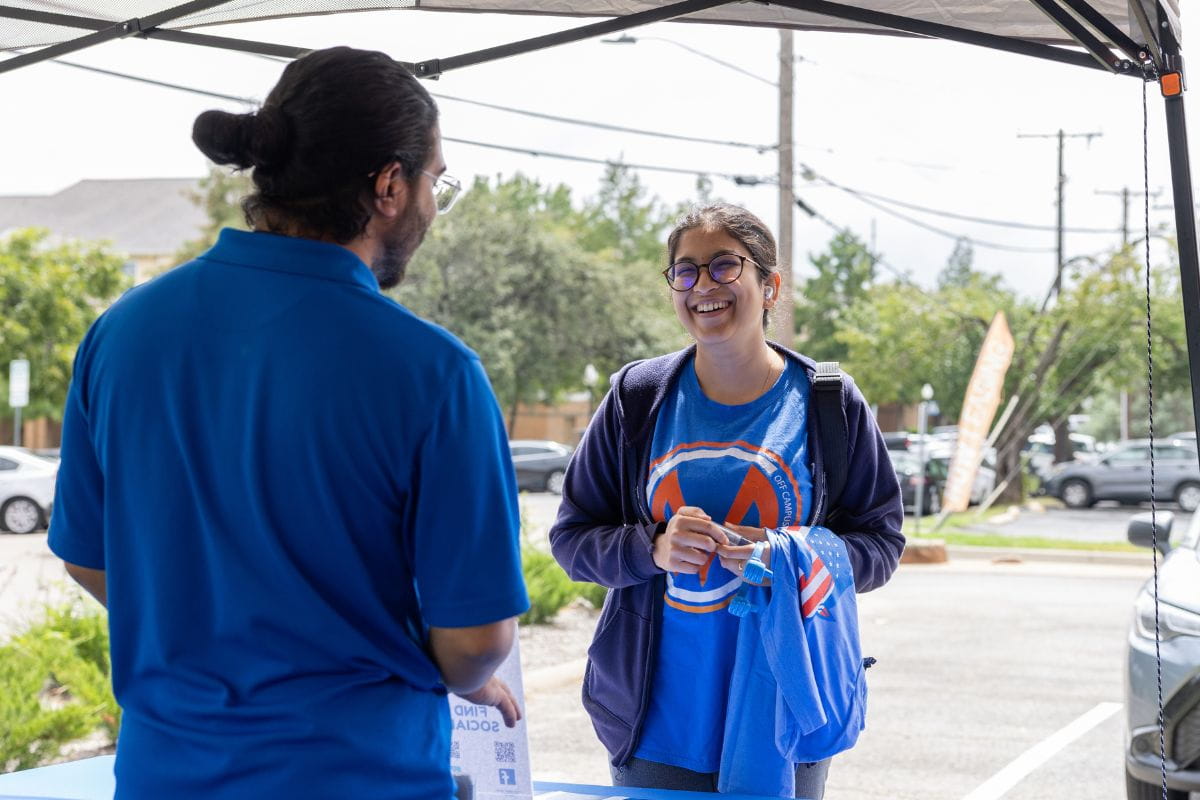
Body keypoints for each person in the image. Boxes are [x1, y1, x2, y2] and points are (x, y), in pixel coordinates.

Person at [48, 47, 528, 799]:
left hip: (161, 777)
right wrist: (455, 673)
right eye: (437, 179)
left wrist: (211, 629)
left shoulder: (120, 334)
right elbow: (476, 640)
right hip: (358, 777)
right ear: (390, 185)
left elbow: (88, 558)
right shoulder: (434, 374)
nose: (435, 203)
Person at [548, 203, 904, 798]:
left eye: (723, 266)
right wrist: (653, 548)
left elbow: (882, 545)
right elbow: (572, 540)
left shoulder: (829, 398)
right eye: (685, 272)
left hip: (788, 711)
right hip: (657, 721)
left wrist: (788, 552)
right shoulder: (636, 397)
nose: (703, 286)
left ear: (770, 285)